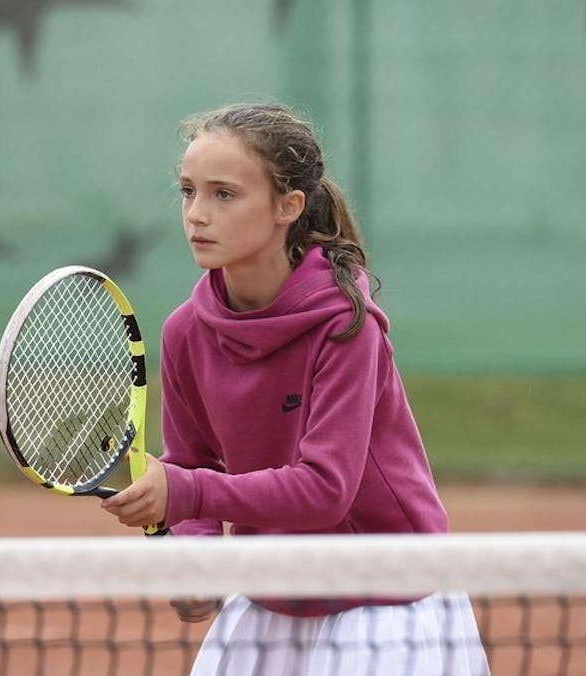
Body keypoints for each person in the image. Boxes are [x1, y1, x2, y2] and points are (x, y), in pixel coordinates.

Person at [99, 102, 490, 675]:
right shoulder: (185, 332)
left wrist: (184, 492)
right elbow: (191, 461)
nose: (197, 215)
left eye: (224, 194)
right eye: (188, 192)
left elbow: (325, 488)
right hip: (275, 590)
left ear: (289, 206)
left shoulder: (347, 325)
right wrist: (196, 558)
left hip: (382, 593)